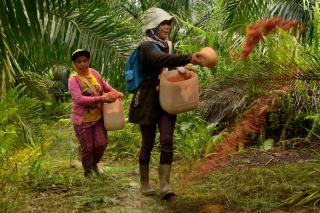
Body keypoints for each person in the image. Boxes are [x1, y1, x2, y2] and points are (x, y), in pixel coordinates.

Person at [128, 7, 205, 199]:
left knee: (167, 139)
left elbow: (169, 64)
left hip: (166, 97)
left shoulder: (166, 45)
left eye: (168, 23)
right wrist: (189, 57)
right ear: (152, 26)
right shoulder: (146, 46)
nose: (167, 26)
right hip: (147, 99)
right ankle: (145, 184)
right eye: (163, 23)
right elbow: (158, 60)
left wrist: (182, 69)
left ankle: (164, 185)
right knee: (148, 142)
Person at [68, 49, 123, 178]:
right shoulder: (73, 79)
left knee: (101, 143)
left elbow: (104, 86)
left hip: (98, 117)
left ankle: (95, 164)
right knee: (88, 147)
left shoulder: (94, 73)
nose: (82, 64)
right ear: (74, 64)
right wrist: (101, 99)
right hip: (82, 120)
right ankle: (88, 171)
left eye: (85, 61)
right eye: (79, 62)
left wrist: (116, 92)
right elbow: (79, 99)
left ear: (89, 61)